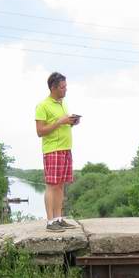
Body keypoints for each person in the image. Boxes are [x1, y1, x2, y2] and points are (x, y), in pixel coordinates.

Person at [35, 71, 80, 232]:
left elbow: (61, 124)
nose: (65, 89)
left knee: (61, 186)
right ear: (53, 88)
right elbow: (40, 131)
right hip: (52, 149)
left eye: (66, 86)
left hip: (66, 148)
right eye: (62, 87)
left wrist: (71, 122)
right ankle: (50, 221)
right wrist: (60, 121)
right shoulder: (42, 106)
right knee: (52, 185)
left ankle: (59, 218)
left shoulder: (62, 103)